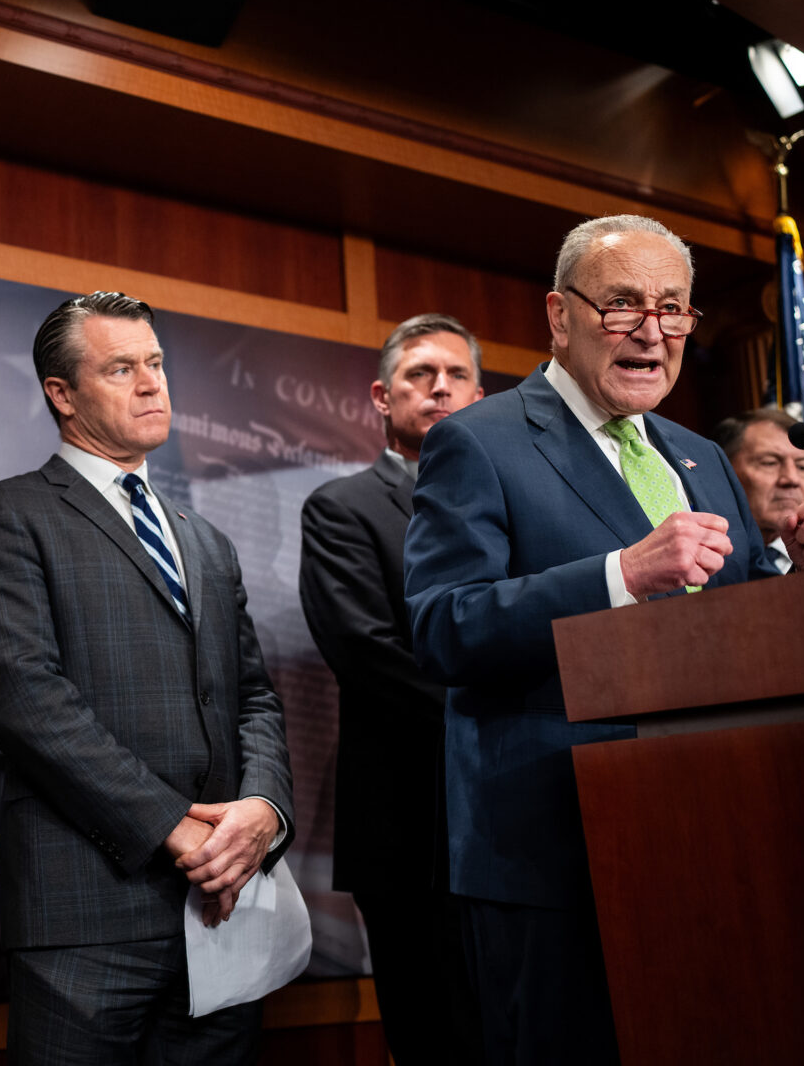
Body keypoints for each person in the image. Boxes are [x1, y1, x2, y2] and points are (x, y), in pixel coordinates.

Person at [403, 214, 804, 1065]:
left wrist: (803, 581)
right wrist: (618, 575)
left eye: (673, 310)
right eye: (621, 306)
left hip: (710, 835)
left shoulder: (698, 456)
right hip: (551, 846)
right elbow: (443, 626)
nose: (652, 332)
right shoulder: (479, 440)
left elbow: (729, 629)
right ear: (559, 315)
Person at [0, 290, 295, 1065]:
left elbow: (254, 698)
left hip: (223, 909)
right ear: (62, 394)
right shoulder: (7, 516)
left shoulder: (205, 540)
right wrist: (176, 829)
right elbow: (24, 700)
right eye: (121, 368)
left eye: (156, 364)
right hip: (87, 918)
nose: (152, 384)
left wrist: (266, 811)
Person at [298, 313, 485, 1065]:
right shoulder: (342, 508)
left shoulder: (506, 505)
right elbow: (366, 653)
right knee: (438, 1035)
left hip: (523, 815)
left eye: (457, 374)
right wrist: (497, 722)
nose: (440, 386)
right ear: (382, 396)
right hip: (412, 827)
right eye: (419, 374)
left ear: (482, 394)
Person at [711, 407, 804, 573]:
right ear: (725, 471)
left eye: (802, 466)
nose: (792, 479)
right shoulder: (705, 562)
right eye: (769, 463)